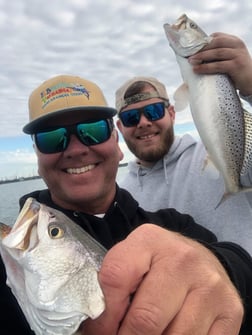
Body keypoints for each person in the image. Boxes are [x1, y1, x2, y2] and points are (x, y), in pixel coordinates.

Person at [1, 74, 252, 335]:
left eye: (93, 130)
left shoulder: (174, 225)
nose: (76, 149)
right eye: (51, 138)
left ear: (117, 143)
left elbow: (240, 271)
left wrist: (222, 272)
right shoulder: (16, 250)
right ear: (37, 157)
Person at [116, 32, 252, 255]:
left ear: (171, 113)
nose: (143, 123)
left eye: (153, 111)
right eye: (131, 118)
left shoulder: (223, 153)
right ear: (120, 128)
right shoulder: (123, 196)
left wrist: (251, 88)